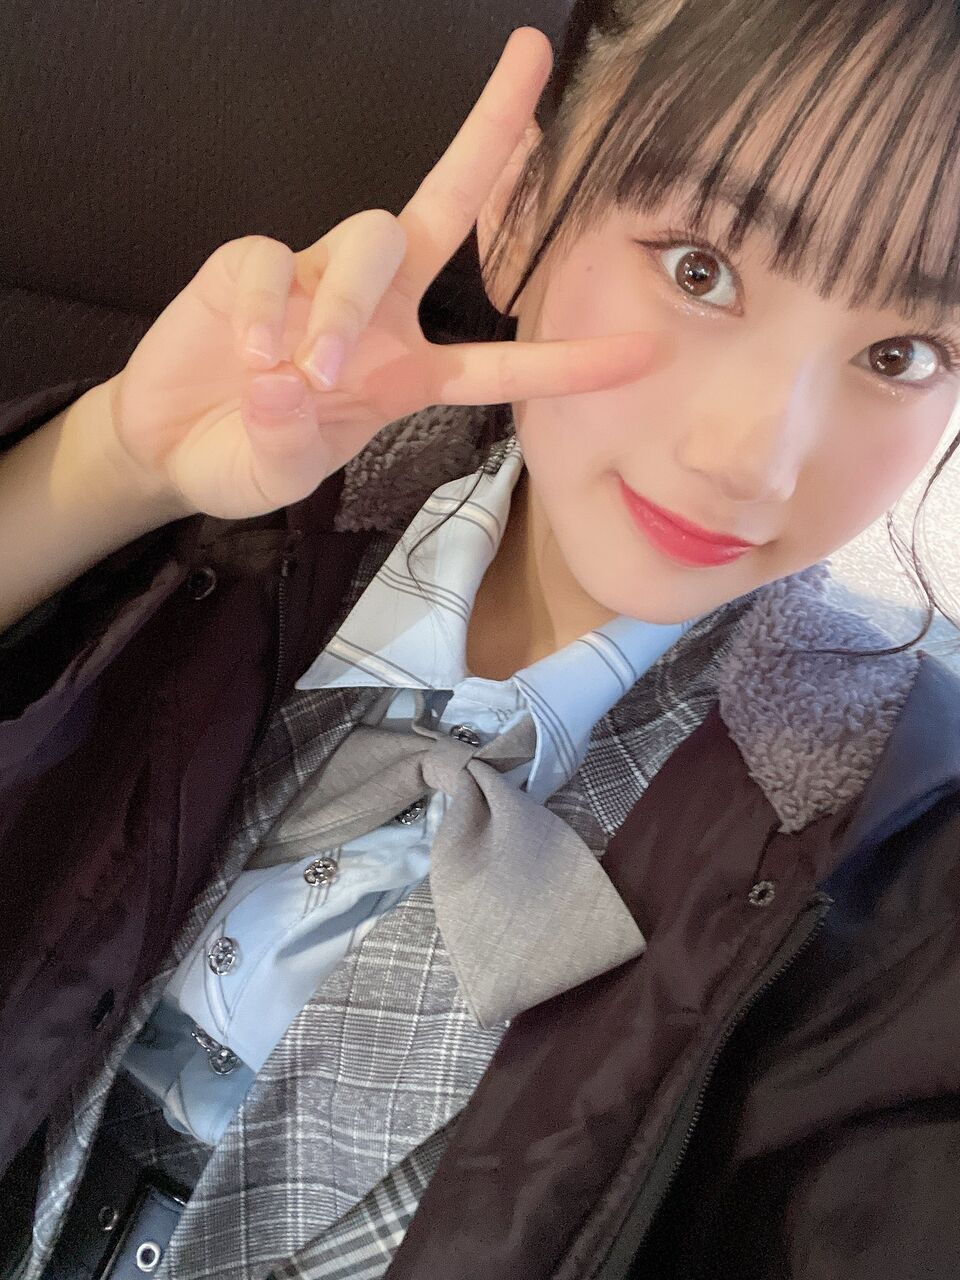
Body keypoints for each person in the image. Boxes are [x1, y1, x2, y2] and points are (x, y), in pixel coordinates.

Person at [1, 2, 959, 1277]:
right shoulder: (246, 510)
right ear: (520, 215)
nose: (753, 458)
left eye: (900, 352)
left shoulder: (898, 839)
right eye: (700, 269)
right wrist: (116, 463)